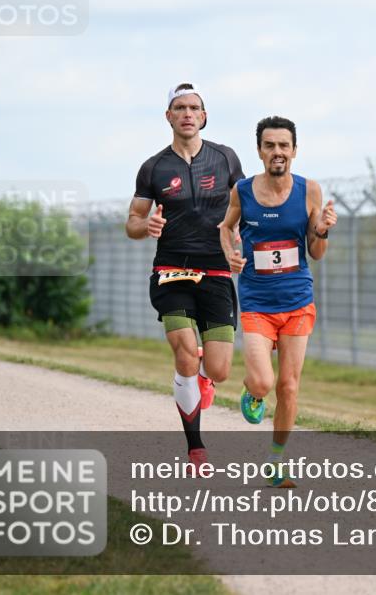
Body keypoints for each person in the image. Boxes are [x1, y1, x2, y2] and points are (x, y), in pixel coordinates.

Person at [126, 83, 244, 469]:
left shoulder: (226, 158)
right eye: (180, 108)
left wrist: (239, 243)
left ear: (204, 116)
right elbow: (132, 223)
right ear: (169, 117)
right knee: (183, 356)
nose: (188, 113)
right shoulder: (154, 167)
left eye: (194, 107)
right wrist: (149, 225)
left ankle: (204, 373)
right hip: (171, 269)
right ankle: (196, 448)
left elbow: (243, 207)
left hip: (216, 269)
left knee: (221, 370)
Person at [218, 115, 336, 488]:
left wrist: (322, 230)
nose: (277, 152)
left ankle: (275, 461)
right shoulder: (243, 191)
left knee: (288, 386)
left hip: (298, 300)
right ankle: (252, 391)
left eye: (284, 145)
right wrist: (231, 255)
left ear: (294, 150)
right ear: (259, 151)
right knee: (263, 381)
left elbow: (316, 252)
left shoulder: (309, 191)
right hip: (256, 301)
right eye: (270, 145)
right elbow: (225, 228)